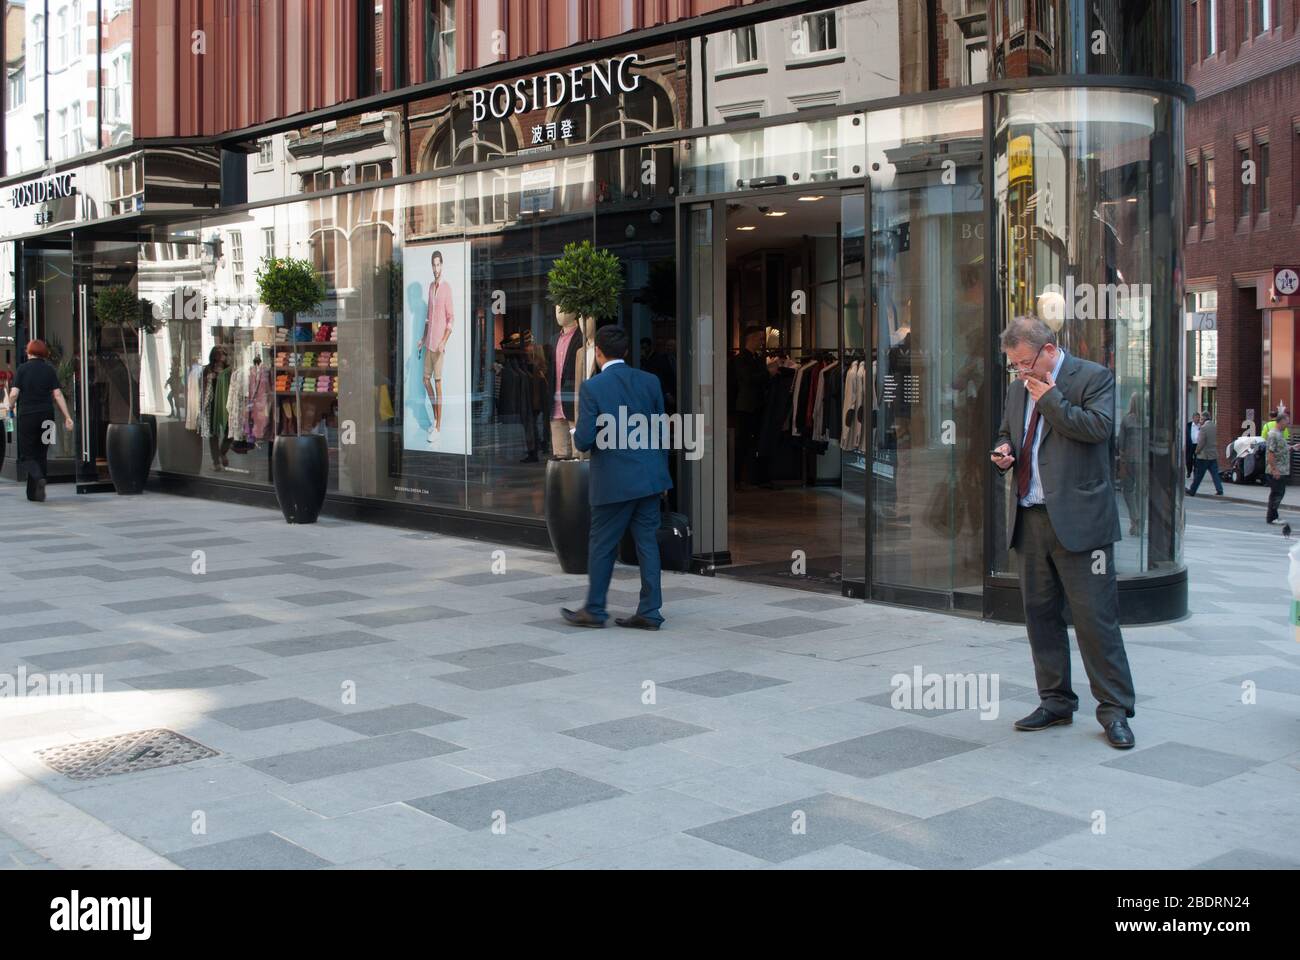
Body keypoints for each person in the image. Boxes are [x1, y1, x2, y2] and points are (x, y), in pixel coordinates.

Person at [991, 316, 1137, 750]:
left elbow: (1098, 430)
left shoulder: (1093, 377)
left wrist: (1050, 399)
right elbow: (1009, 433)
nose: (1020, 373)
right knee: (1040, 616)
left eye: (1023, 363)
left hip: (1081, 522)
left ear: (1048, 351)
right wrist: (1004, 451)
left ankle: (1114, 711)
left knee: (1096, 620)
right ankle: (1055, 701)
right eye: (1014, 366)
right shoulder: (1018, 388)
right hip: (1030, 516)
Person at [562, 325, 673, 631]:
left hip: (614, 483)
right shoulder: (650, 381)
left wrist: (577, 433)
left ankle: (595, 610)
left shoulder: (593, 388)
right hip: (650, 478)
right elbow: (662, 432)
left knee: (602, 546)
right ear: (625, 351)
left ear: (598, 352)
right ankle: (650, 612)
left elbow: (584, 441)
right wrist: (663, 478)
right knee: (647, 544)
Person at [5, 340, 74, 502]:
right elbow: (57, 395)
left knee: (27, 454)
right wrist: (67, 416)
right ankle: (35, 494)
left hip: (28, 417)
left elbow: (14, 394)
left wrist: (10, 406)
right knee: (41, 453)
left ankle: (39, 477)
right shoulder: (50, 370)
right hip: (47, 416)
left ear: (29, 352)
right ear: (43, 353)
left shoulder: (22, 369)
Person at [730, 326, 772, 489]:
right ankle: (737, 479)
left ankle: (753, 478)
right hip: (746, 407)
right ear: (752, 339)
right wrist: (768, 373)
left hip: (757, 405)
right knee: (742, 444)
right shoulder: (740, 359)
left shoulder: (757, 358)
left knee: (755, 443)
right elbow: (747, 379)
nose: (762, 342)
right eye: (760, 339)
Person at [419, 249, 454, 445]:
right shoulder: (430, 287)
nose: (436, 268)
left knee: (438, 383)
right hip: (429, 344)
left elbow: (451, 318)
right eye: (433, 264)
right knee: (425, 381)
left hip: (439, 347)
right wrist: (423, 338)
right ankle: (435, 417)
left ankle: (438, 427)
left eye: (439, 264)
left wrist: (443, 341)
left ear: (442, 265)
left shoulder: (446, 288)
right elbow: (428, 317)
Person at [198, 346, 232, 470]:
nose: (222, 356)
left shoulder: (229, 370)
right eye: (219, 353)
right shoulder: (207, 369)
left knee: (230, 431)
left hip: (226, 404)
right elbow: (201, 386)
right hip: (212, 405)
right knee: (214, 433)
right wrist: (208, 379)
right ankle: (216, 461)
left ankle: (222, 452)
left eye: (224, 353)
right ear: (214, 355)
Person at [1265, 412, 1297, 524]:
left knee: (1278, 492)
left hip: (1281, 469)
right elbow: (1270, 453)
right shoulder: (1274, 434)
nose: (1287, 425)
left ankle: (1273, 516)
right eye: (1286, 423)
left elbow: (1280, 449)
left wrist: (1292, 447)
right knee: (1277, 493)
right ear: (1281, 421)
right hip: (1277, 470)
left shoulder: (1279, 434)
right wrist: (1274, 469)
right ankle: (1272, 517)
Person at [1187, 410, 1223, 497]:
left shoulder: (1204, 428)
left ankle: (1192, 490)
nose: (1200, 421)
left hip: (1204, 456)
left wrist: (1196, 451)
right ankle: (1219, 489)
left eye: (1202, 419)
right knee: (1215, 474)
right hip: (1213, 454)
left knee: (1199, 475)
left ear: (1205, 418)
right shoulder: (1214, 426)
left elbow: (1201, 442)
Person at [1184, 412, 1201, 479]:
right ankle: (1189, 471)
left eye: (1198, 417)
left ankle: (1195, 473)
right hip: (1190, 445)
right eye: (1196, 417)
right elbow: (1185, 435)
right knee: (1189, 460)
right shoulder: (1188, 425)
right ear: (1193, 418)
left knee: (1197, 460)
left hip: (1198, 445)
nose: (1197, 419)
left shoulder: (1201, 426)